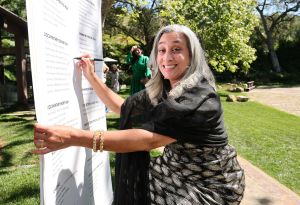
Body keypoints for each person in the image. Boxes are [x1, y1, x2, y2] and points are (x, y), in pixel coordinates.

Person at [33, 24, 245, 205]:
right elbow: (126, 108)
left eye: (176, 49)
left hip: (209, 186)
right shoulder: (165, 89)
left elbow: (146, 141)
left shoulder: (200, 99)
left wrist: (74, 137)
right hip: (172, 169)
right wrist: (91, 76)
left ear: (191, 57)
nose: (166, 57)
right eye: (161, 50)